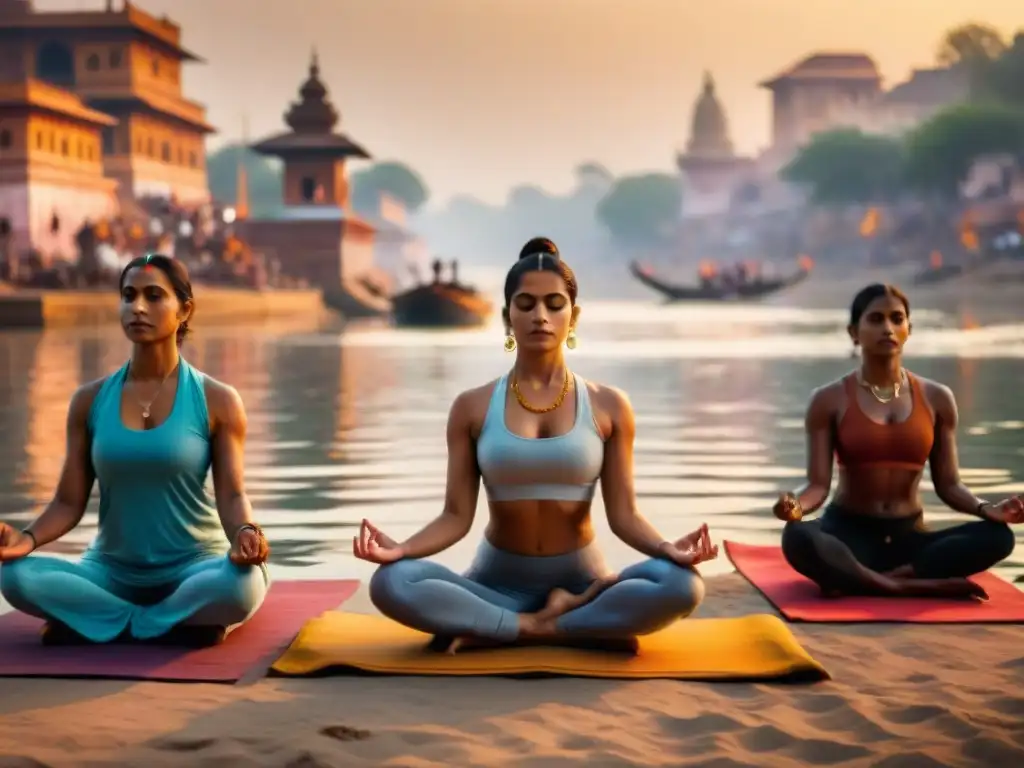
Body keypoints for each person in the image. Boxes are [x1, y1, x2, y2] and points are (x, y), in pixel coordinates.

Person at [355, 237, 717, 653]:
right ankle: (556, 624)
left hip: (586, 583)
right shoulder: (471, 407)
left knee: (682, 584)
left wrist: (668, 548)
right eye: (525, 304)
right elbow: (456, 516)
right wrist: (400, 548)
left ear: (573, 317)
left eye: (554, 304)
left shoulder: (609, 405)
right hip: (495, 585)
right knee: (392, 581)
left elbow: (624, 515)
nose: (540, 316)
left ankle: (512, 627)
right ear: (507, 317)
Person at [0, 254, 270, 647]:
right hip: (111, 572)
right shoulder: (88, 401)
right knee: (13, 576)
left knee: (241, 586)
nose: (138, 307)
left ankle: (97, 621)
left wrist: (245, 533)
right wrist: (25, 539)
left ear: (185, 310)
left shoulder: (219, 400)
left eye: (154, 296)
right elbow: (67, 502)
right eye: (128, 296)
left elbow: (231, 495)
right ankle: (169, 622)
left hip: (196, 567)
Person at [776, 283, 1021, 599]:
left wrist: (987, 508)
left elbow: (949, 485)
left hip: (909, 538)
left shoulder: (937, 398)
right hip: (849, 536)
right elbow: (817, 486)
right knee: (797, 537)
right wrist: (794, 506)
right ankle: (899, 585)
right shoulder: (828, 400)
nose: (888, 328)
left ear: (909, 329)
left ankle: (878, 578)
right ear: (854, 331)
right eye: (876, 319)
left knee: (999, 538)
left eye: (897, 319)